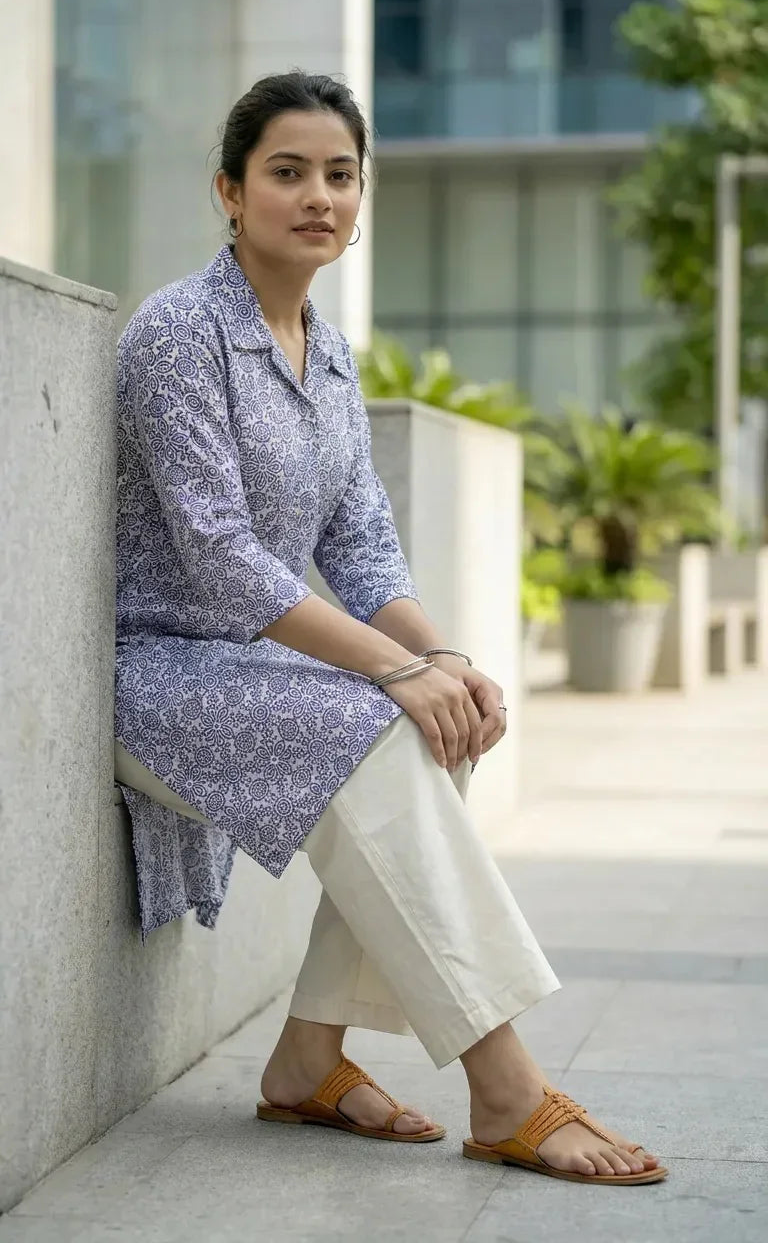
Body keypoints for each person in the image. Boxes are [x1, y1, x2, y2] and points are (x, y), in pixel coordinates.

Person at [114, 72, 666, 1187]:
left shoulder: (330, 357)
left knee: (433, 717)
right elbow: (221, 557)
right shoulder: (179, 332)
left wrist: (441, 660)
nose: (318, 196)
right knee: (385, 725)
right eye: (287, 172)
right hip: (155, 672)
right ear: (229, 191)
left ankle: (308, 1059)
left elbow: (363, 546)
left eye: (340, 173)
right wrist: (396, 671)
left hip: (252, 669)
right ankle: (507, 1088)